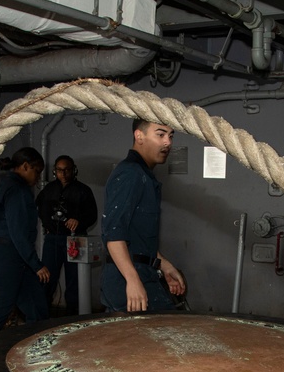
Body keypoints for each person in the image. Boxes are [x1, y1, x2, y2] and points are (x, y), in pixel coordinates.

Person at [101, 119, 186, 312]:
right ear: (139, 136)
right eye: (160, 134)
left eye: (171, 136)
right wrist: (132, 281)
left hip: (143, 274)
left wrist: (165, 266)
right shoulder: (130, 174)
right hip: (127, 280)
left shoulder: (143, 175)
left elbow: (138, 236)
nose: (168, 142)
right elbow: (113, 235)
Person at [0, 147, 50, 335]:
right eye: (36, 171)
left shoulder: (2, 188)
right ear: (25, 167)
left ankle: (37, 351)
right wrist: (36, 264)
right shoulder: (18, 191)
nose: (38, 177)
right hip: (6, 260)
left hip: (13, 259)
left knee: (37, 308)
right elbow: (17, 232)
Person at [35, 155, 98, 314]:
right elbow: (39, 209)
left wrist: (79, 221)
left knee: (75, 280)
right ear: (54, 171)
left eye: (67, 170)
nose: (63, 173)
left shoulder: (83, 190)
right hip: (53, 239)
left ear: (74, 170)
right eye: (59, 170)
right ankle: (42, 315)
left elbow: (92, 215)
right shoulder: (48, 190)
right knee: (47, 278)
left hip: (75, 239)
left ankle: (72, 315)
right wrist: (48, 224)